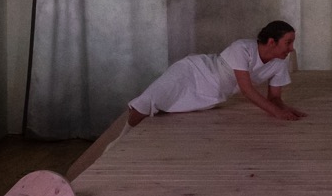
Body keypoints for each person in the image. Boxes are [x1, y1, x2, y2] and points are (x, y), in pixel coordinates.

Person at [126, 20, 307, 126]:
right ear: (272, 42)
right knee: (148, 101)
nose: (292, 48)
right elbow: (246, 89)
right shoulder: (243, 48)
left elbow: (274, 98)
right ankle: (123, 140)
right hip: (193, 71)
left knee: (162, 109)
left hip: (212, 94)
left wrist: (286, 109)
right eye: (288, 42)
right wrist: (277, 113)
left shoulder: (280, 63)